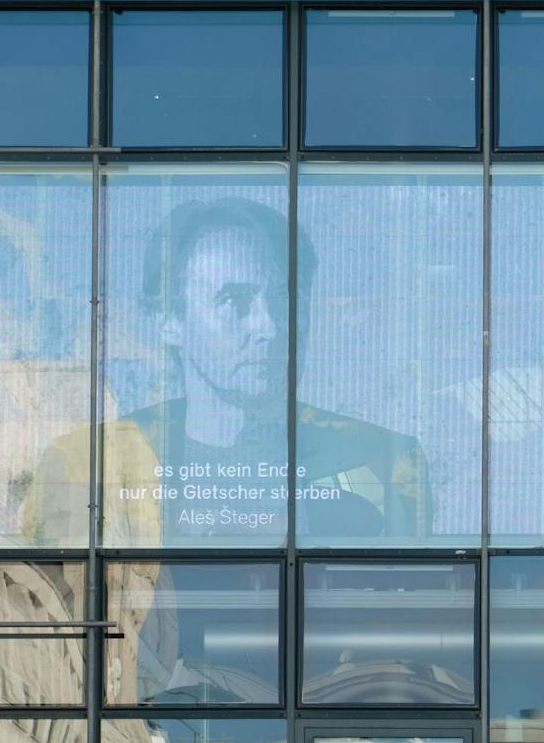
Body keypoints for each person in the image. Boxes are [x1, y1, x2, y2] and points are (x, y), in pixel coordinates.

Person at [26, 197, 433, 545]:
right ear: (169, 319)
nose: (270, 327)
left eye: (285, 297)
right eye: (233, 300)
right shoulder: (88, 466)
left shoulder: (386, 460)